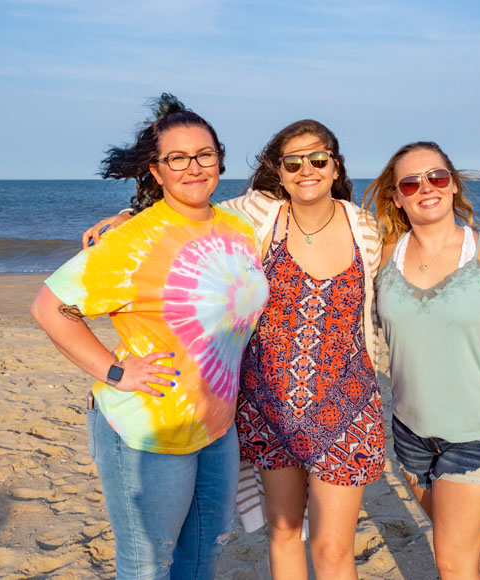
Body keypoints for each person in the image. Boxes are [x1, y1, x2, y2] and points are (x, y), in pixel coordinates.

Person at [83, 120, 384, 580]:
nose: (308, 169)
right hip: (269, 405)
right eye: (293, 161)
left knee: (334, 548)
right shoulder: (255, 217)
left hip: (348, 406)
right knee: (283, 534)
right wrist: (129, 217)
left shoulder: (364, 226)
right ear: (278, 172)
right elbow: (187, 209)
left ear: (335, 165)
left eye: (318, 158)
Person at [31, 94, 269, 579]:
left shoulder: (239, 227)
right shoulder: (132, 239)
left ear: (219, 158)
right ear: (156, 171)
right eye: (176, 158)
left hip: (218, 427)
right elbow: (50, 307)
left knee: (202, 557)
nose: (193, 167)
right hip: (146, 431)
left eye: (204, 154)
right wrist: (115, 372)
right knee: (148, 567)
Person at [365, 141, 480, 580]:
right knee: (466, 557)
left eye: (436, 176)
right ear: (396, 196)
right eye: (410, 182)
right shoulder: (385, 252)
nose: (425, 187)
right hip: (409, 435)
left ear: (452, 185)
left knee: (451, 560)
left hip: (478, 435)